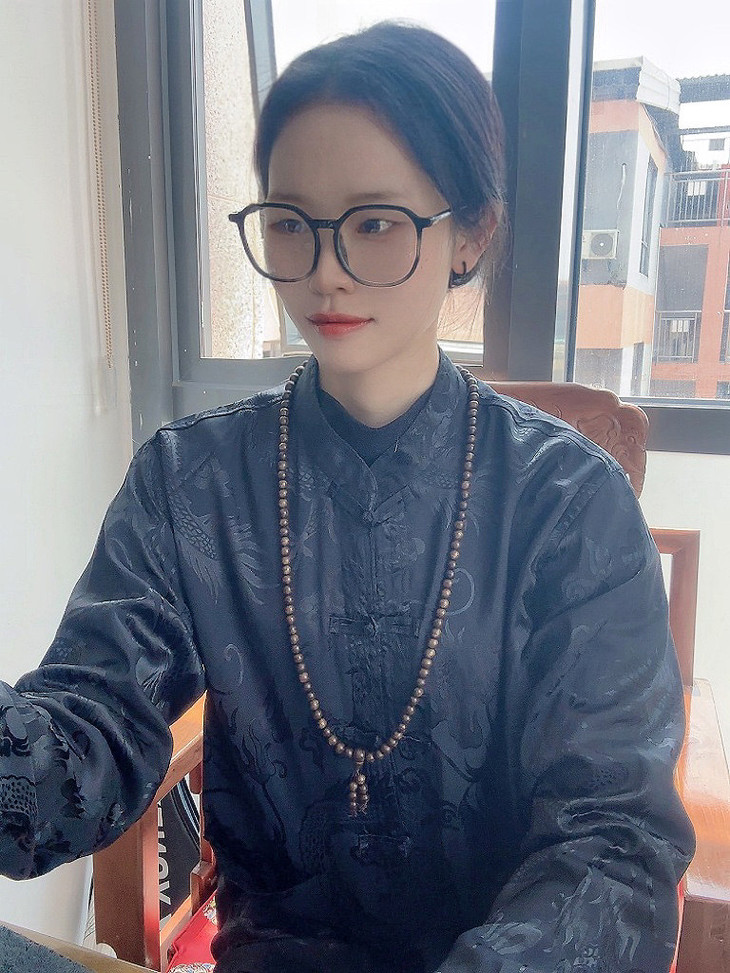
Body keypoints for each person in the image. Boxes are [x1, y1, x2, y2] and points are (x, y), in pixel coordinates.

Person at [0, 21, 693, 973]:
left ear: (471, 233)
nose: (324, 270)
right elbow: (90, 733)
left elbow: (616, 840)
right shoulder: (190, 482)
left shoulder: (570, 502)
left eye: (374, 223)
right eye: (291, 222)